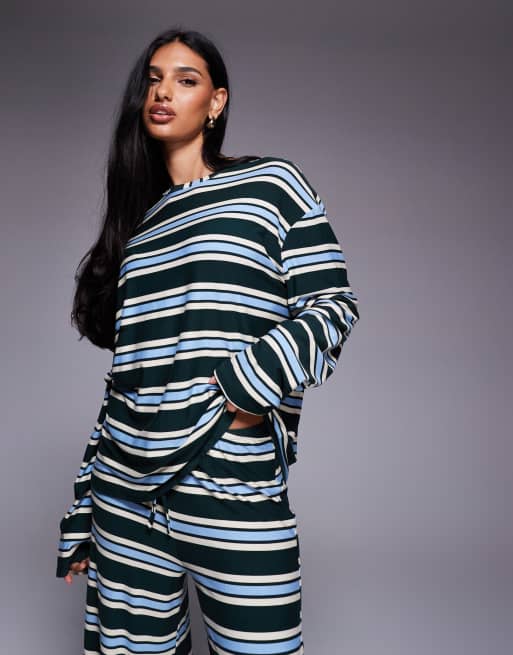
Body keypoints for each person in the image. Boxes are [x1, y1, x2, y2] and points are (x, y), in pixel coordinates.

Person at [55, 26, 360, 655]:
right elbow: (125, 379)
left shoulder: (271, 186)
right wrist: (84, 509)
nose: (163, 92)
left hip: (230, 480)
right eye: (153, 80)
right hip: (125, 499)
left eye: (185, 80)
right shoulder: (139, 229)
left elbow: (333, 307)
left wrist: (242, 390)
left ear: (216, 101)